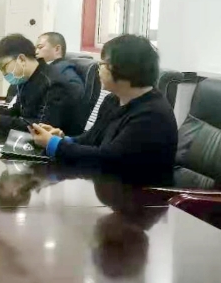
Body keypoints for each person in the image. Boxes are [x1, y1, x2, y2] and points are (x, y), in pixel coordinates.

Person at [29, 35, 177, 186]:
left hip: (142, 196)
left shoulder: (152, 115)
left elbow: (107, 160)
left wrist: (55, 145)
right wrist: (62, 139)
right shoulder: (112, 100)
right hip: (110, 188)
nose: (98, 69)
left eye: (103, 64)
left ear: (125, 69)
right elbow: (92, 138)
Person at [0, 34, 82, 138]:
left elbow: (43, 127)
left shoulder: (54, 83)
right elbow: (16, 111)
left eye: (4, 67)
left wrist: (0, 121)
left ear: (21, 59)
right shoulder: (26, 79)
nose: (4, 73)